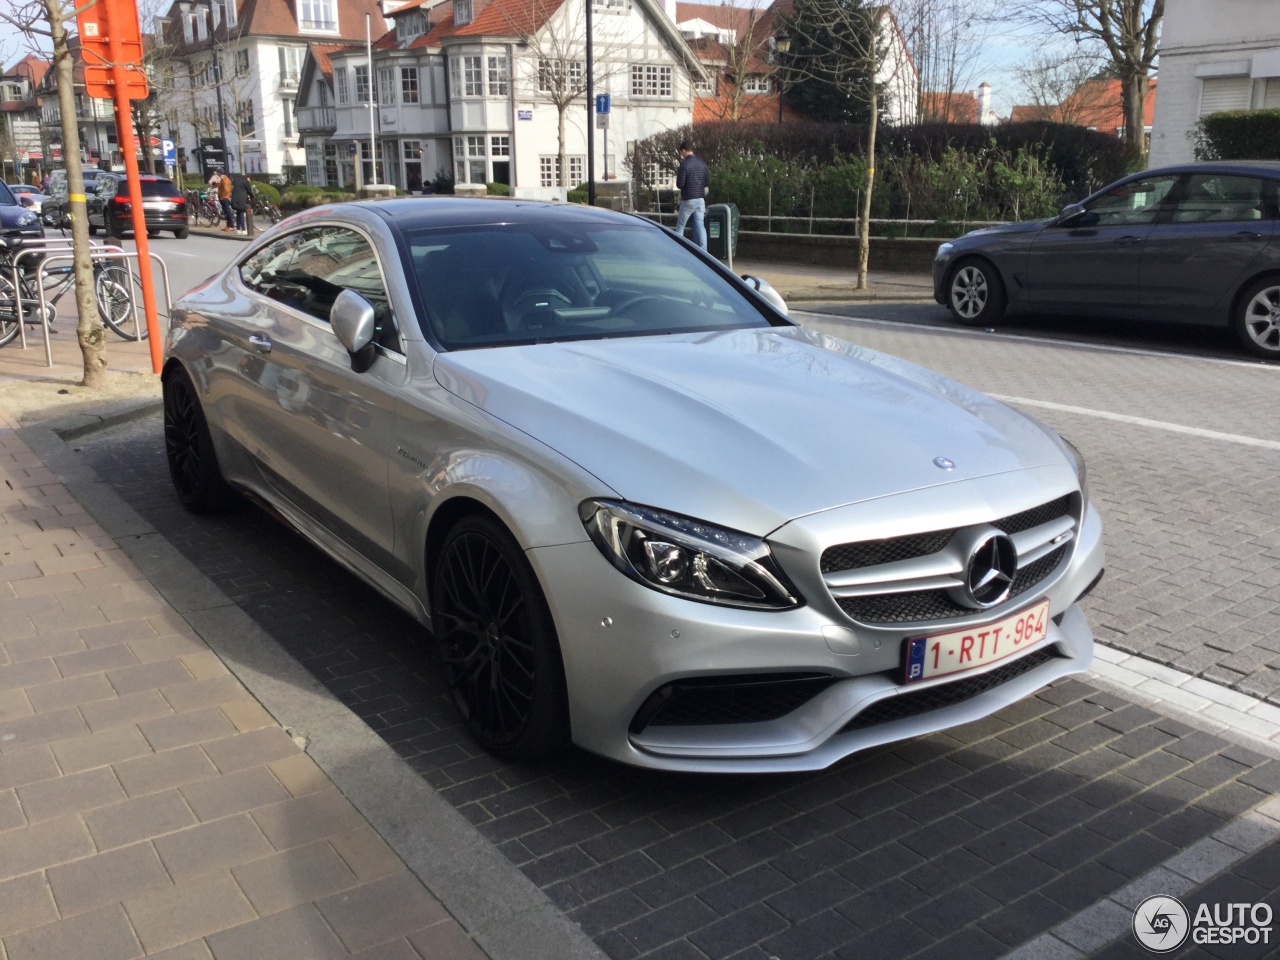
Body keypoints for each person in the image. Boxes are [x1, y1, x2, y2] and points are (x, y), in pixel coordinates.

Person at [674, 141, 709, 250]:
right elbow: (706, 181)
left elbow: (680, 184)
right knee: (700, 226)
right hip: (700, 199)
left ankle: (677, 249)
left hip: (688, 199)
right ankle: (704, 250)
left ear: (683, 151)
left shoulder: (684, 164)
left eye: (681, 152)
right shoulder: (702, 163)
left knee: (680, 226)